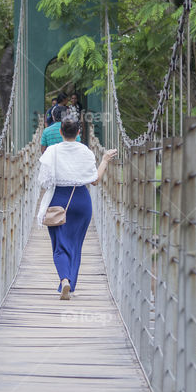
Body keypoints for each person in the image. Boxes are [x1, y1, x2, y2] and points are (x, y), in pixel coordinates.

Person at [35, 115, 117, 299]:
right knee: (75, 245)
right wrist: (104, 160)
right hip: (81, 200)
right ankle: (70, 283)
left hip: (58, 200)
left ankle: (65, 280)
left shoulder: (51, 151)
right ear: (79, 132)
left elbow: (44, 181)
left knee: (59, 245)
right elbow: (94, 180)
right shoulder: (86, 151)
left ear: (61, 132)